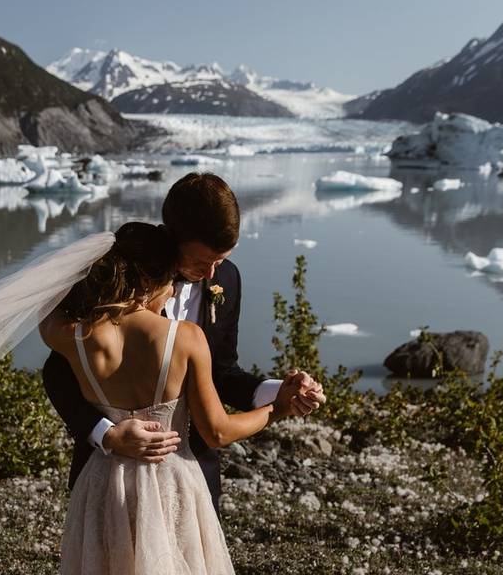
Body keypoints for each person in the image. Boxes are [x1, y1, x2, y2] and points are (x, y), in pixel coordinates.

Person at [43, 173, 326, 512]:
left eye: (220, 260)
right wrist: (106, 434)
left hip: (193, 474)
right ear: (170, 239)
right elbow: (58, 371)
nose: (211, 274)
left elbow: (222, 372)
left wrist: (281, 392)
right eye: (201, 261)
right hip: (109, 469)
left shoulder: (227, 278)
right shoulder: (108, 280)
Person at [41, 221, 300, 573]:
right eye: (169, 283)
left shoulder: (74, 337)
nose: (174, 295)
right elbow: (218, 432)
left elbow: (47, 306)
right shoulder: (186, 339)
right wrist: (277, 409)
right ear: (149, 281)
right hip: (171, 486)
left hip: (104, 485)